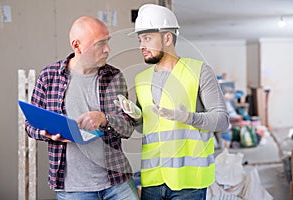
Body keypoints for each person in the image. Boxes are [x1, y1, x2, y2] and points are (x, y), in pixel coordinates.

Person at [115, 4, 230, 200]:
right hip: (153, 179)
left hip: (189, 182)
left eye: (147, 38)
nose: (141, 45)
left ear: (167, 38)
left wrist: (188, 117)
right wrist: (136, 117)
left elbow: (222, 121)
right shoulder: (141, 79)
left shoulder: (199, 71)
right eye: (140, 39)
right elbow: (147, 129)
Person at [25, 16, 139, 200]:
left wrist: (104, 119)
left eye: (107, 41)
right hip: (73, 189)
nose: (107, 49)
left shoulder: (114, 76)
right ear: (77, 46)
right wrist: (46, 133)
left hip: (117, 182)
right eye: (100, 43)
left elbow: (128, 128)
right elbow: (30, 126)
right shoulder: (49, 76)